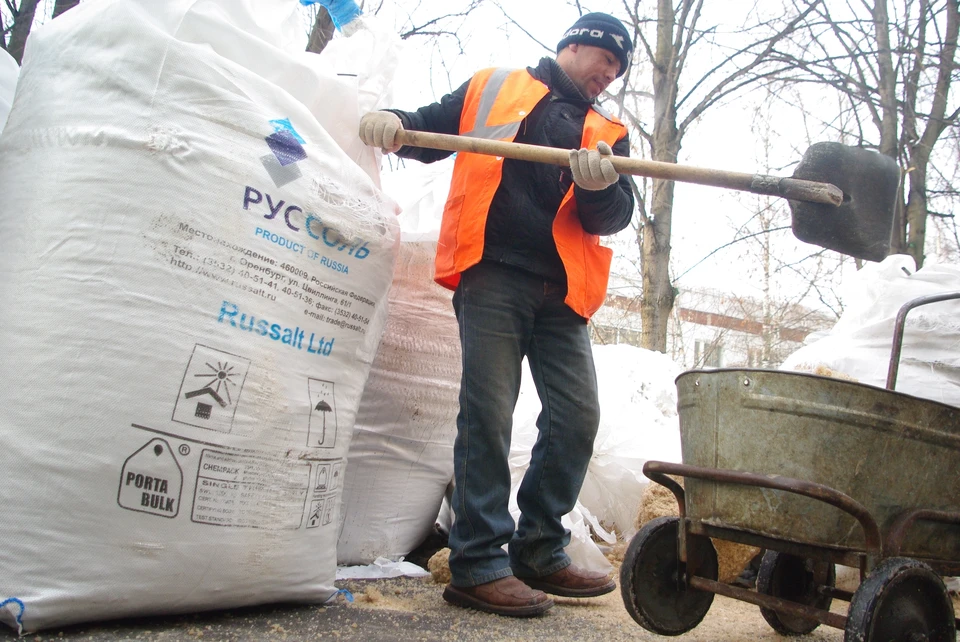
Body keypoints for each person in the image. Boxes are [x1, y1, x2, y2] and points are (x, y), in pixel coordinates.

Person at [358, 12, 636, 618]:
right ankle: (478, 563)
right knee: (488, 411)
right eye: (605, 61)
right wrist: (396, 124)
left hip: (563, 293)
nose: (608, 77)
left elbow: (611, 217)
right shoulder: (494, 88)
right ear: (575, 45)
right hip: (495, 275)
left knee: (577, 417)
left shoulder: (609, 133)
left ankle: (540, 548)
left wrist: (598, 185)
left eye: (617, 71)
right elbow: (430, 129)